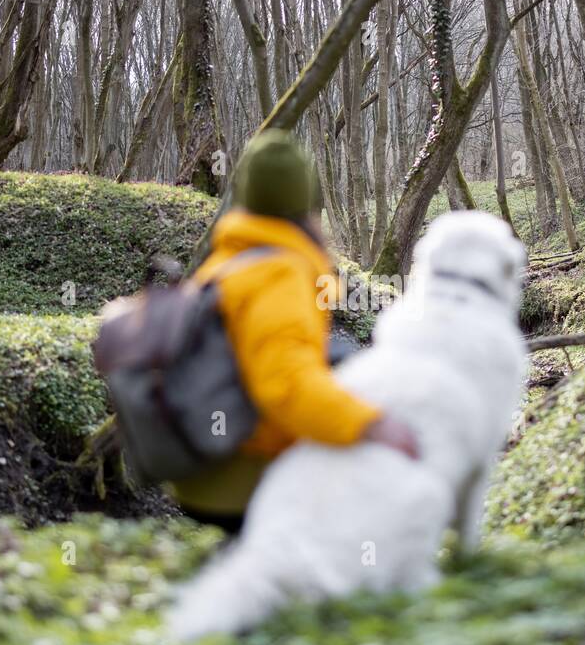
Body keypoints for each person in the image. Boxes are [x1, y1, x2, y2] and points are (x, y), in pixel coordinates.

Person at [167, 130, 418, 532]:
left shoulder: (227, 260)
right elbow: (285, 385)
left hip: (202, 466)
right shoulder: (280, 273)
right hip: (243, 475)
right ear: (306, 205)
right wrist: (373, 425)